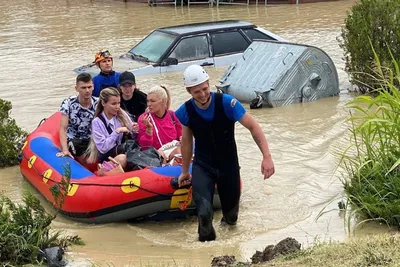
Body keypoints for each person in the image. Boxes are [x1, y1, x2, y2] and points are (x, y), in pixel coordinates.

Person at [175, 65, 275, 242]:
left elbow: (253, 127)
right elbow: (187, 142)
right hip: (203, 166)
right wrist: (184, 171)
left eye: (205, 89)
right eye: (197, 91)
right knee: (204, 214)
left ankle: (228, 250)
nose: (203, 94)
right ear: (189, 90)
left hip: (228, 167)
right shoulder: (186, 111)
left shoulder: (227, 103)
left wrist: (266, 156)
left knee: (231, 219)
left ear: (208, 83)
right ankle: (206, 254)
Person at [87, 87, 135, 170]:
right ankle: (104, 169)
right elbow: (103, 148)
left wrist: (135, 129)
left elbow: (133, 134)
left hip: (124, 150)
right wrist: (117, 132)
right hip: (107, 156)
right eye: (113, 104)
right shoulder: (97, 122)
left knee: (129, 150)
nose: (117, 107)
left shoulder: (121, 115)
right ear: (103, 103)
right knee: (122, 158)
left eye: (119, 103)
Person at [58, 73, 97, 166]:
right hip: (74, 139)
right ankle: (85, 171)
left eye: (89, 87)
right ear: (76, 89)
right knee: (76, 144)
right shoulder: (68, 103)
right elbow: (63, 128)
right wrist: (65, 150)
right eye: (83, 88)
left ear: (93, 87)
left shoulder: (98, 103)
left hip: (91, 138)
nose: (87, 90)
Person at [137, 85, 182, 162]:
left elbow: (182, 135)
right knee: (161, 155)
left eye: (152, 101)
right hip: (155, 155)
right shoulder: (143, 119)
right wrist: (149, 130)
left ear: (163, 101)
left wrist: (182, 139)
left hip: (174, 150)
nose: (149, 104)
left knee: (180, 151)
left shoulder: (173, 115)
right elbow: (144, 147)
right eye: (148, 101)